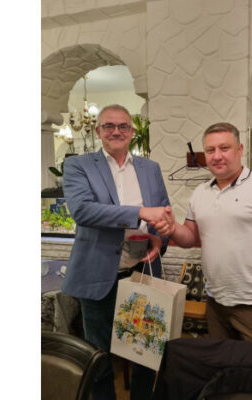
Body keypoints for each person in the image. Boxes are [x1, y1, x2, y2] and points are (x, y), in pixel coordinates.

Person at [153, 122, 252, 350]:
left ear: (240, 150)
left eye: (224, 148)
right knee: (225, 366)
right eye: (210, 150)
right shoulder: (201, 192)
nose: (217, 156)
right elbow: (190, 238)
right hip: (216, 303)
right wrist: (172, 228)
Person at [62, 104, 170, 400]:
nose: (116, 131)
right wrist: (140, 212)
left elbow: (162, 212)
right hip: (97, 276)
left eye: (123, 126)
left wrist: (159, 239)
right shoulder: (78, 165)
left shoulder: (150, 168)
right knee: (99, 356)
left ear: (132, 132)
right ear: (98, 131)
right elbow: (83, 211)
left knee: (146, 353)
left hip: (142, 274)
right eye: (109, 126)